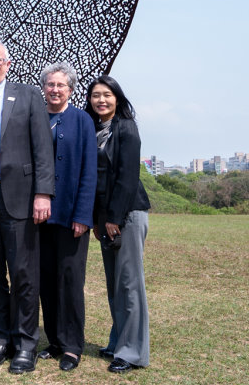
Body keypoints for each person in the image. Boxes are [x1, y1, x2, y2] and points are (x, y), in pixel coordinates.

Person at [0, 39, 55, 374]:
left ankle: (25, 344)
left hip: (19, 197)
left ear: (8, 64)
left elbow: (42, 148)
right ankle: (0, 339)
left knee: (22, 273)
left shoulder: (28, 96)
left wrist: (43, 193)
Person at [86, 75, 150, 374]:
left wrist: (114, 218)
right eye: (96, 95)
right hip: (106, 219)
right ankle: (117, 343)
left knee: (129, 285)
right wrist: (98, 220)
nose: (101, 100)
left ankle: (133, 353)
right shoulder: (95, 130)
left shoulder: (126, 128)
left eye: (107, 95)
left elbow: (126, 177)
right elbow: (96, 181)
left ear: (117, 98)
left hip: (127, 215)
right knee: (114, 285)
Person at [36, 62, 97, 371]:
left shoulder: (82, 120)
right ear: (43, 88)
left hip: (72, 215)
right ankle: (55, 340)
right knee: (46, 280)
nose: (55, 89)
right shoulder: (36, 118)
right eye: (50, 84)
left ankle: (72, 346)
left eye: (61, 85)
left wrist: (84, 215)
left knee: (70, 280)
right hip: (40, 216)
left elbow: (89, 171)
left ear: (70, 89)